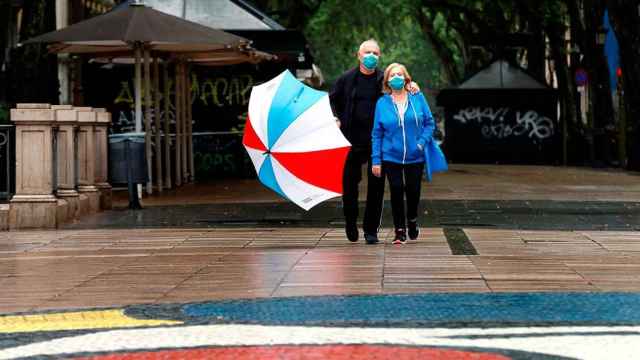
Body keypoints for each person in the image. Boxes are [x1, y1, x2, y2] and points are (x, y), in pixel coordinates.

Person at [330, 39, 419, 244]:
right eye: (367, 52)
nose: (371, 56)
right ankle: (350, 221)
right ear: (359, 55)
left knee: (376, 187)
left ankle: (371, 230)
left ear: (380, 57)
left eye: (376, 53)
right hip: (351, 140)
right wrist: (334, 116)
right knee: (350, 185)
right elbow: (331, 100)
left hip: (378, 142)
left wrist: (412, 85)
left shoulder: (383, 79)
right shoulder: (346, 79)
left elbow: (402, 90)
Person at [371, 63, 435, 244]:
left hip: (416, 156)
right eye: (392, 75)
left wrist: (421, 143)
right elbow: (377, 133)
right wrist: (376, 160)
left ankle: (412, 220)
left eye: (400, 74)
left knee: (413, 191)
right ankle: (400, 230)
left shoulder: (417, 97)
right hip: (391, 156)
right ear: (387, 81)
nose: (396, 78)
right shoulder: (382, 103)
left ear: (406, 78)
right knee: (396, 190)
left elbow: (429, 123)